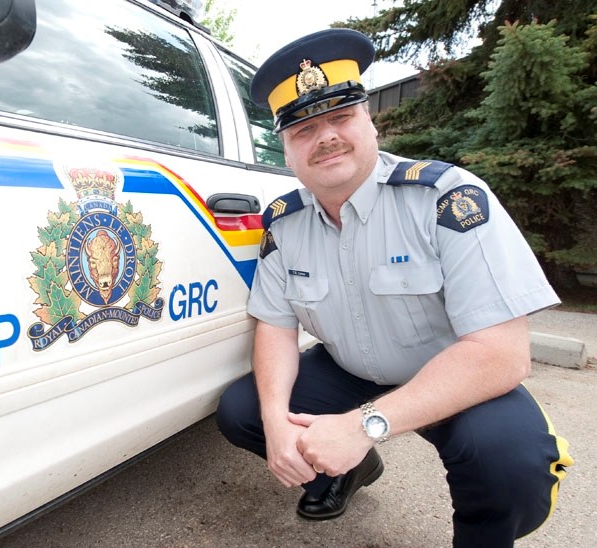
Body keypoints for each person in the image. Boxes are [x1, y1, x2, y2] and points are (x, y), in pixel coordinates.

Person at [216, 28, 573, 546]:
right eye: (305, 129)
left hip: (452, 376)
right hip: (351, 373)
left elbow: (502, 355)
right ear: (287, 152)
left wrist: (362, 427)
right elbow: (275, 325)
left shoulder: (446, 199)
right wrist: (276, 421)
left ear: (370, 123)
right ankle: (344, 471)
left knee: (510, 464)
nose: (327, 137)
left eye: (341, 117)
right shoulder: (285, 225)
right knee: (243, 412)